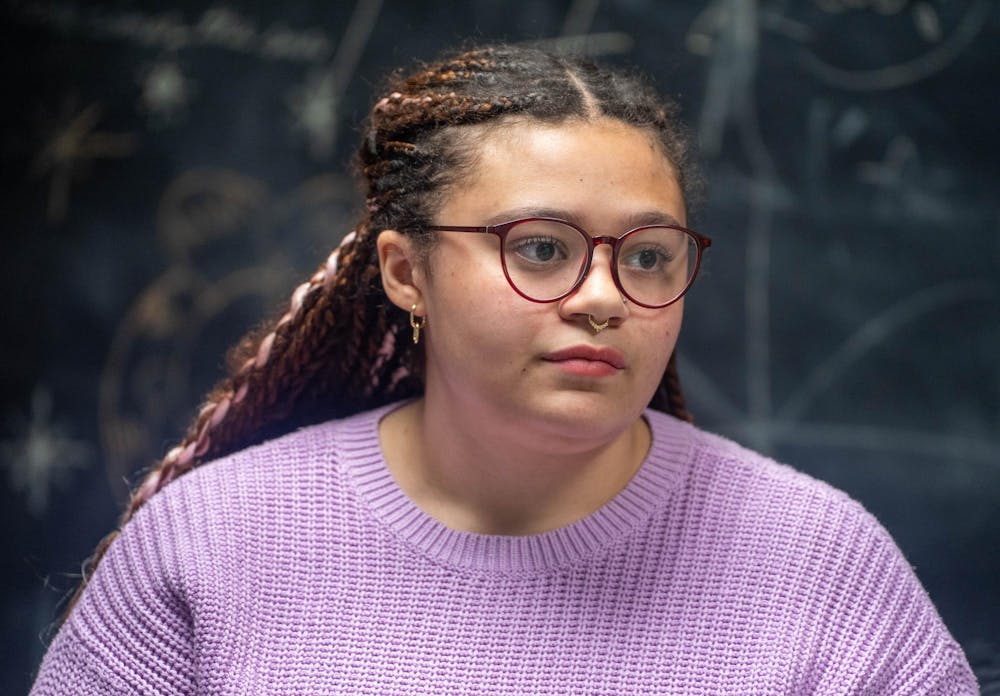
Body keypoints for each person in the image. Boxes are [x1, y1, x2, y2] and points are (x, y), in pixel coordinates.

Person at [31, 43, 977, 695]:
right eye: (539, 248)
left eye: (647, 256)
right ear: (407, 272)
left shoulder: (820, 564)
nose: (602, 296)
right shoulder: (211, 544)